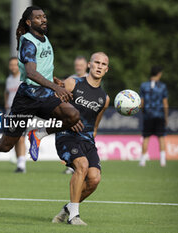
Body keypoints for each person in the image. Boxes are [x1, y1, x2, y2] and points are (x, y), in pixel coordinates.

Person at [0, 6, 80, 171]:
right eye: (38, 17)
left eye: (44, 16)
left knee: (72, 115)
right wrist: (55, 87)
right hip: (27, 98)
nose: (43, 19)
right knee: (5, 145)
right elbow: (30, 73)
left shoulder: (44, 39)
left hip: (44, 95)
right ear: (29, 22)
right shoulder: (28, 41)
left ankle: (37, 134)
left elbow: (40, 68)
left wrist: (54, 80)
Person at [52, 52, 110, 225]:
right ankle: (73, 216)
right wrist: (67, 120)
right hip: (66, 135)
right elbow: (53, 105)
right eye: (96, 62)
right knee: (82, 166)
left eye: (103, 64)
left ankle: (68, 208)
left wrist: (92, 135)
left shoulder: (104, 99)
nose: (99, 66)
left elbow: (96, 124)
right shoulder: (73, 83)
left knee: (94, 178)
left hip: (87, 140)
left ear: (107, 69)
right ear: (89, 65)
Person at [139, 65, 168, 167]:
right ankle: (163, 161)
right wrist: (166, 117)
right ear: (159, 73)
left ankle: (142, 161)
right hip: (159, 115)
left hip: (148, 115)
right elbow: (165, 103)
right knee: (161, 138)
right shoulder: (163, 86)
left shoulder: (144, 86)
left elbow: (141, 102)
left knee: (146, 138)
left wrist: (143, 112)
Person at [65, 55, 89, 174]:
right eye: (77, 65)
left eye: (81, 65)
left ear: (87, 66)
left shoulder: (91, 80)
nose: (78, 67)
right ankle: (71, 166)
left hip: (87, 117)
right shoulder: (70, 80)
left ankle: (82, 165)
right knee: (72, 140)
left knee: (84, 141)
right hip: (73, 117)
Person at [4, 57, 26, 173]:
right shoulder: (9, 79)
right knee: (15, 139)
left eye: (15, 65)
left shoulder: (24, 78)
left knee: (21, 138)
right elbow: (7, 93)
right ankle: (19, 163)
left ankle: (22, 165)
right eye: (11, 65)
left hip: (22, 112)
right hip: (11, 113)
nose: (13, 67)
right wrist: (6, 105)